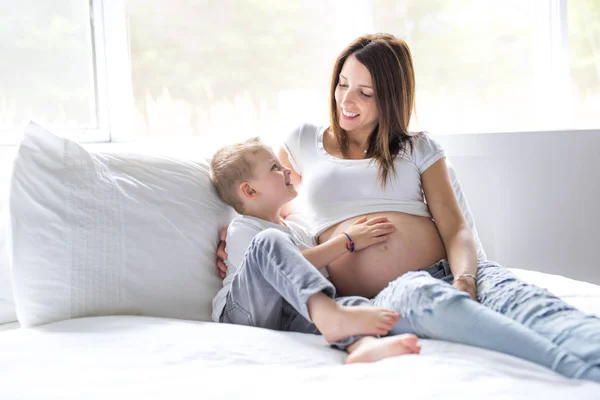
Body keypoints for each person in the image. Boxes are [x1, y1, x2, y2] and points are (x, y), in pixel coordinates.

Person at [216, 33, 600, 381]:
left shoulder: (419, 148)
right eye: (342, 84)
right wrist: (244, 243)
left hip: (449, 270)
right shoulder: (303, 141)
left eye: (365, 93)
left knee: (539, 310)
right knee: (456, 315)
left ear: (391, 98)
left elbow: (456, 229)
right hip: (381, 296)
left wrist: (467, 279)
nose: (346, 100)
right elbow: (271, 201)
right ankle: (570, 370)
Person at [209, 137, 422, 364]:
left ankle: (361, 344)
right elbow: (287, 267)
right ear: (249, 190)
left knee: (352, 305)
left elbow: (311, 276)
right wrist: (347, 241)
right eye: (275, 168)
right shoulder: (244, 228)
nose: (287, 171)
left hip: (288, 316)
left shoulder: (299, 231)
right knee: (269, 240)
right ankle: (331, 316)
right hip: (244, 312)